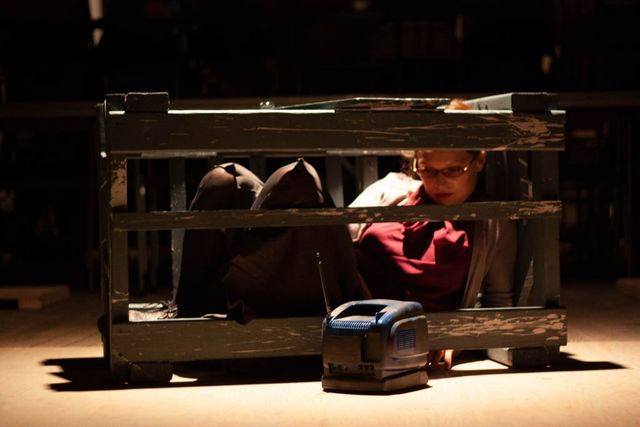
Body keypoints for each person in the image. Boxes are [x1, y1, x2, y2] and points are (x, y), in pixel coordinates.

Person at [349, 148, 517, 368]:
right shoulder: (389, 190)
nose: (439, 182)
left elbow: (498, 302)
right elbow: (334, 245)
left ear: (479, 160)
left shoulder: (492, 220)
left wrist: (457, 336)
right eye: (427, 170)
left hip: (416, 337)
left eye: (453, 170)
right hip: (355, 319)